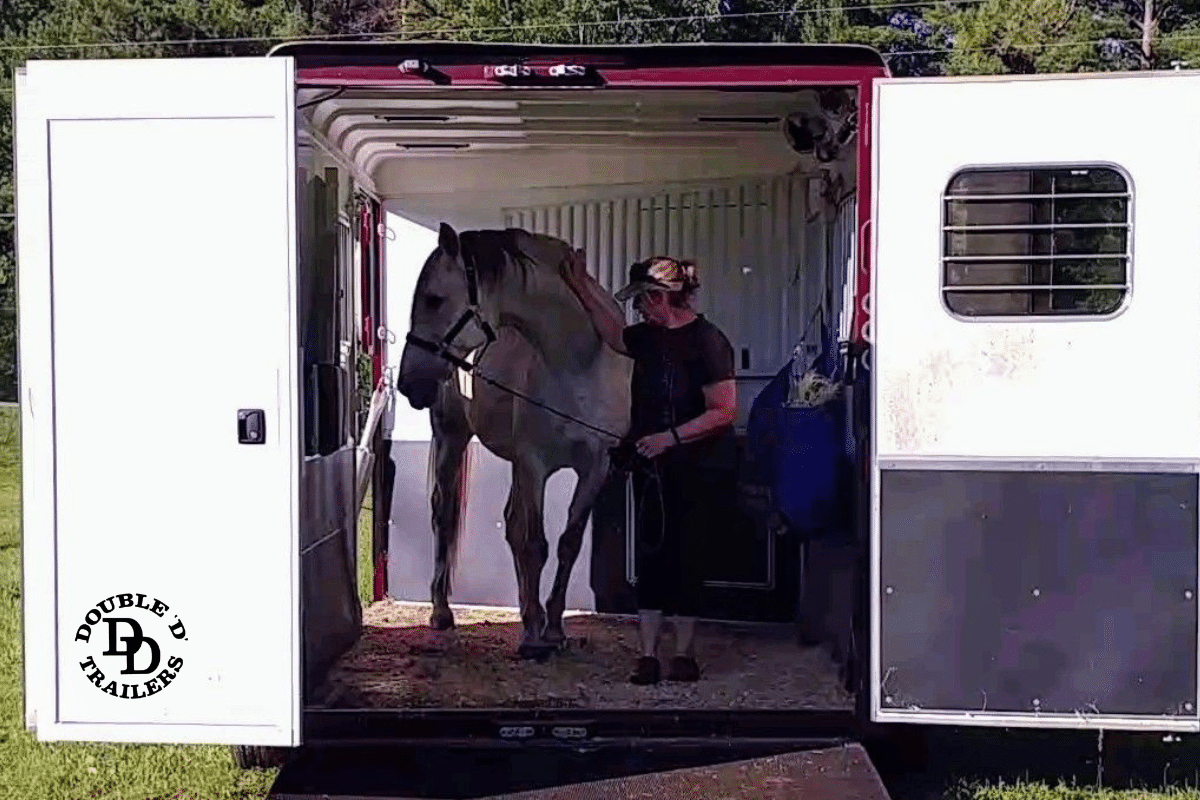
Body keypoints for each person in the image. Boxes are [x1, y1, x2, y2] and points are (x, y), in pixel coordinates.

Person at [561, 251, 738, 685]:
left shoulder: (709, 342)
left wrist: (669, 438)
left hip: (696, 467)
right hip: (651, 469)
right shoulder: (647, 338)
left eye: (642, 300)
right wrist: (582, 287)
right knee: (652, 558)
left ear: (661, 298)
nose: (638, 308)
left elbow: (724, 410)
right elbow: (615, 336)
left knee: (688, 557)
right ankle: (647, 655)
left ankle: (683, 654)